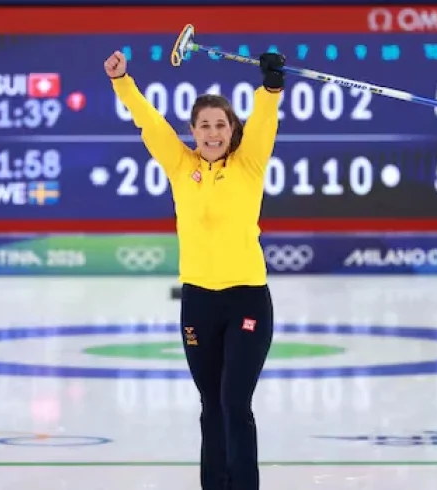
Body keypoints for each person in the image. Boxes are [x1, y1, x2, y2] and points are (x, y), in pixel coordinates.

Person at [105, 49, 284, 490]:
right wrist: (122, 81)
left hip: (247, 300)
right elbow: (149, 122)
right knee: (211, 405)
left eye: (220, 124)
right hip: (199, 303)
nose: (212, 132)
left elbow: (264, 121)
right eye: (204, 125)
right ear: (193, 131)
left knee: (235, 403)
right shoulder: (181, 166)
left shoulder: (249, 164)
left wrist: (271, 88)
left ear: (232, 130)